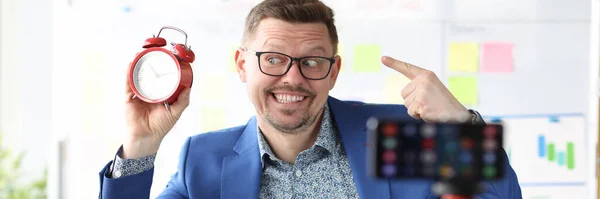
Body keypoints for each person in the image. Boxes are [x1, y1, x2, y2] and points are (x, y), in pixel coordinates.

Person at [98, 0, 522, 198]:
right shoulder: (202, 162)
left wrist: (461, 126)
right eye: (274, 59)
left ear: (334, 72)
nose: (293, 78)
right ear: (242, 65)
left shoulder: (398, 136)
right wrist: (141, 145)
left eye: (312, 62)